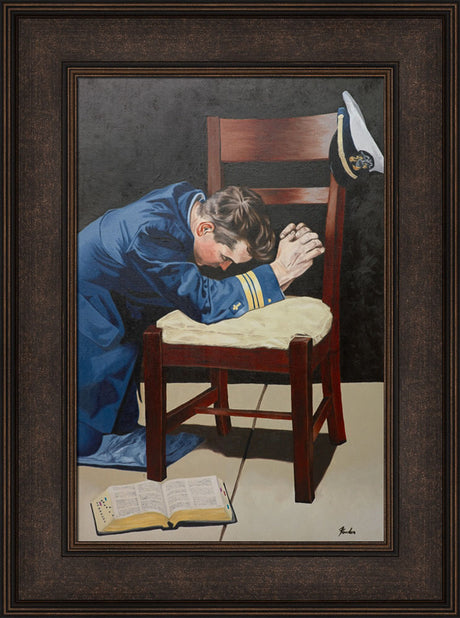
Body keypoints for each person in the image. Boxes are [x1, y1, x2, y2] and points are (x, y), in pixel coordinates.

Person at [78, 181, 325, 459]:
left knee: (117, 415)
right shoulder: (151, 233)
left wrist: (285, 270)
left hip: (116, 305)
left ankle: (117, 432)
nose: (224, 267)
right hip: (85, 311)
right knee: (85, 441)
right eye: (224, 256)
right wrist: (279, 271)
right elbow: (204, 302)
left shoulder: (190, 204)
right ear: (204, 228)